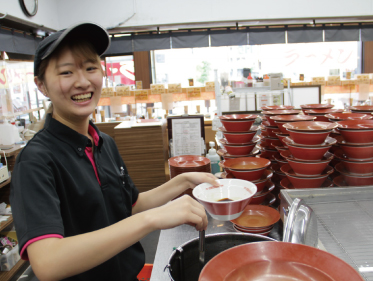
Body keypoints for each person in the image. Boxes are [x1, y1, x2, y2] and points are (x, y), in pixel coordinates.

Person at [10, 22, 219, 281]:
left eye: (90, 68)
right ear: (41, 85)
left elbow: (130, 206)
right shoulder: (36, 161)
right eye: (66, 73)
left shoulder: (103, 142)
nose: (83, 81)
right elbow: (48, 262)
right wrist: (152, 220)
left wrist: (184, 180)